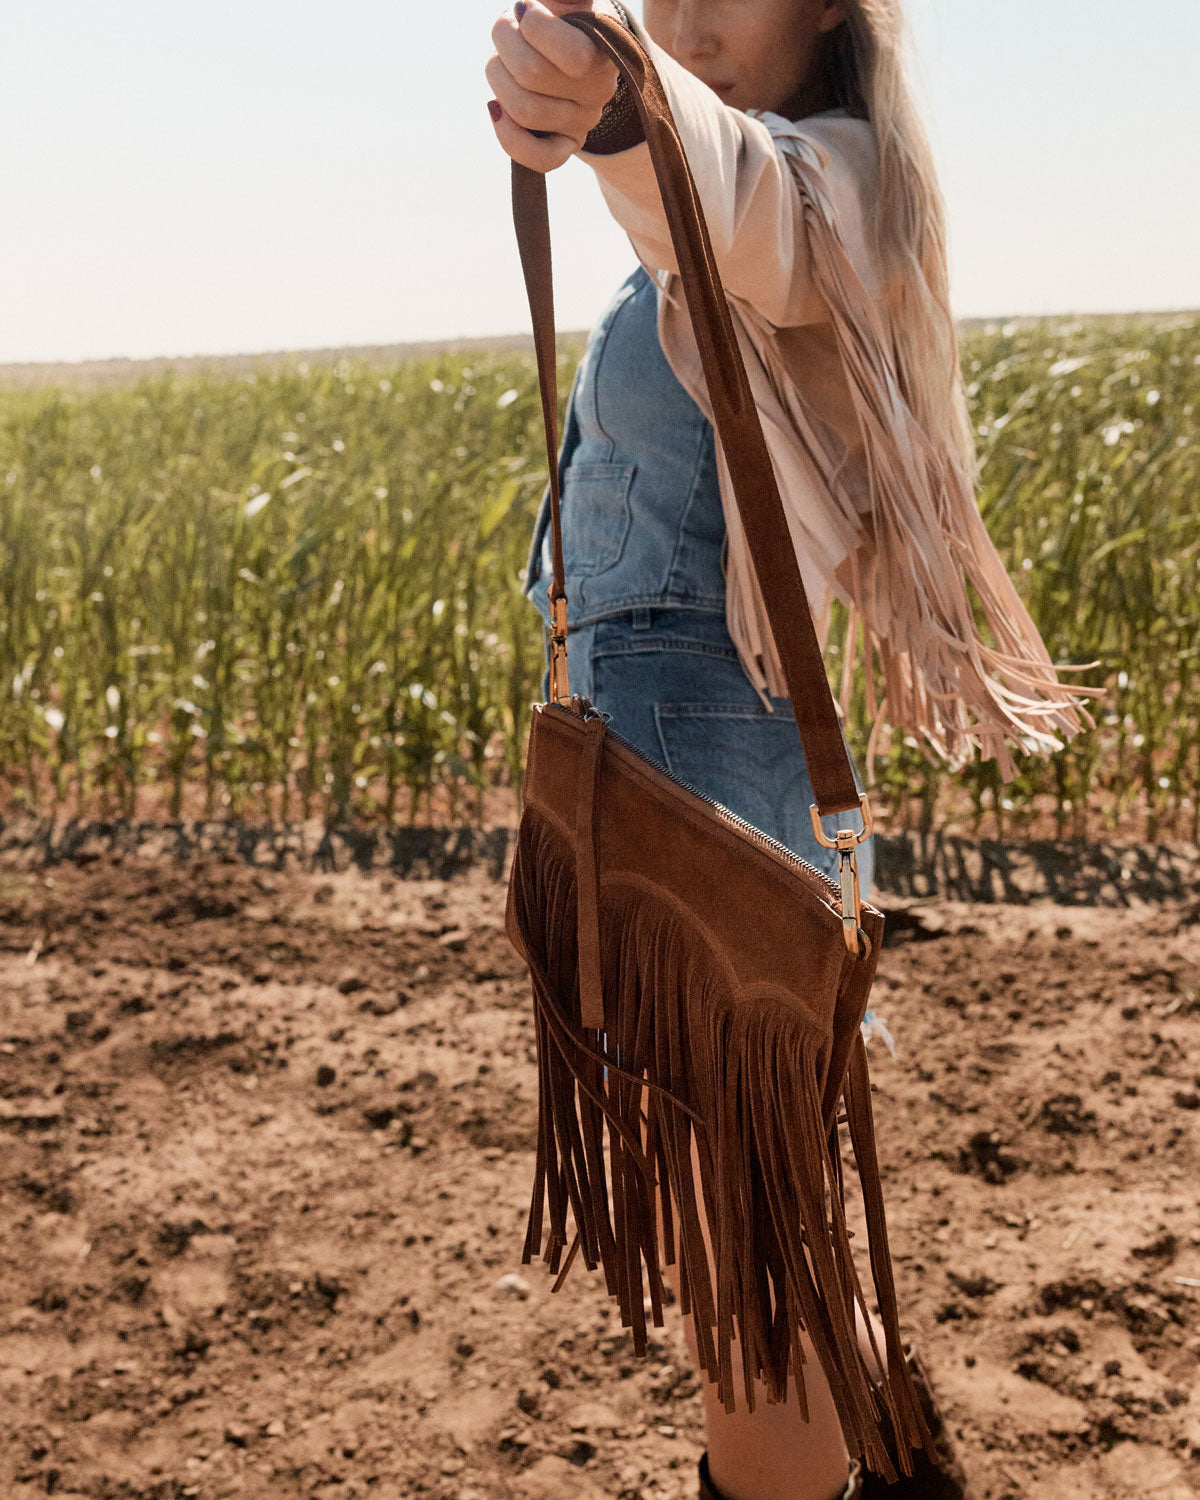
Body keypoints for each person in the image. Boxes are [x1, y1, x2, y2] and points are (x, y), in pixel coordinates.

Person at [485, 3, 1091, 1496]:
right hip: (674, 783)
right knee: (776, 1254)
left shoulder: (839, 183)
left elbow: (734, 198)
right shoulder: (742, 189)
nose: (687, 14)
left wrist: (623, 104)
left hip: (707, 797)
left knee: (747, 1299)